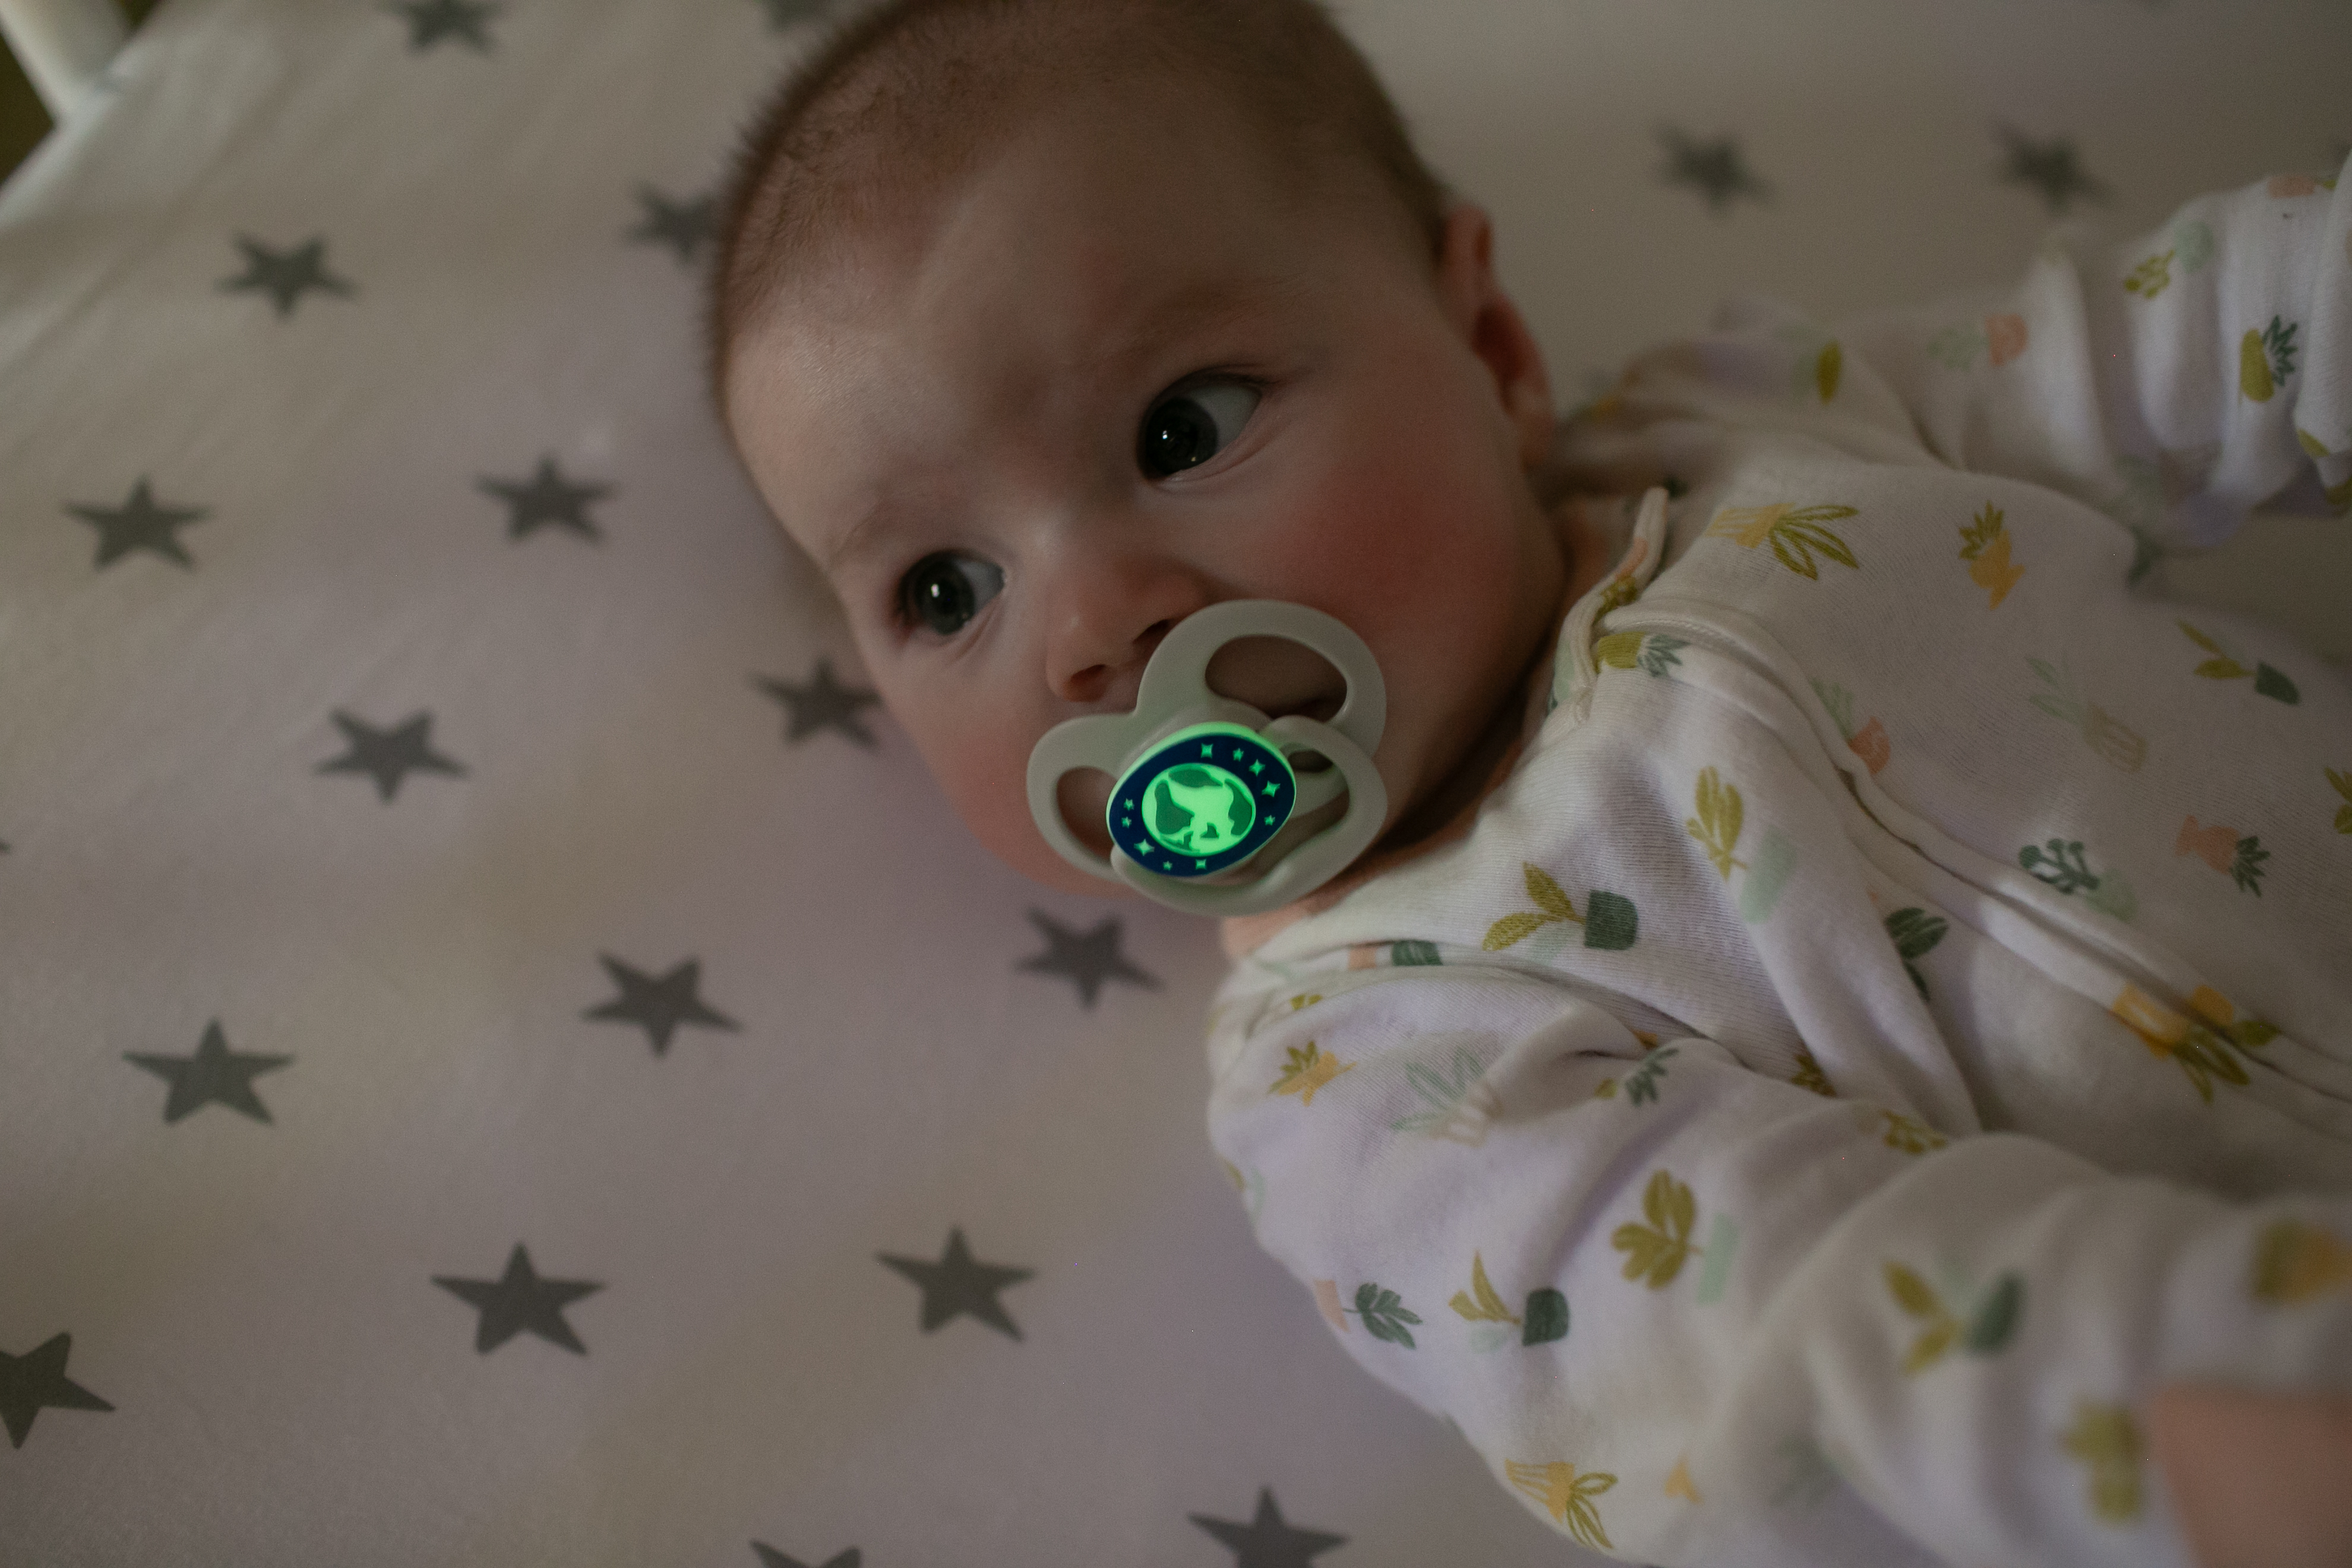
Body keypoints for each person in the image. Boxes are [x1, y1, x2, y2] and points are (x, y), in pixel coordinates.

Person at [705, 1, 2352, 1561]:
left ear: (1491, 349)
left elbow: (2181, 343)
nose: (1088, 630)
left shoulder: (1749, 428)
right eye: (944, 590)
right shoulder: (1363, 1082)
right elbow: (1784, 1326)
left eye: (1182, 430)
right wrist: (2207, 1414)